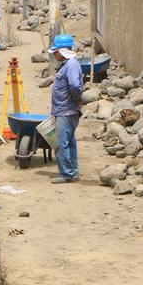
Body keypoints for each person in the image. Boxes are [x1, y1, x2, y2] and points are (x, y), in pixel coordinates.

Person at [48, 34, 83, 184]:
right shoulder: (67, 64)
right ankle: (73, 172)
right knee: (69, 142)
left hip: (66, 110)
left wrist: (76, 99)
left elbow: (75, 86)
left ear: (62, 51)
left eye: (55, 52)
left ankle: (67, 174)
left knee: (61, 143)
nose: (54, 55)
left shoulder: (71, 65)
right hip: (65, 109)